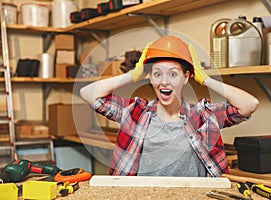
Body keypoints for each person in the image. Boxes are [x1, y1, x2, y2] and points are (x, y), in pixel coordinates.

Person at [80, 35, 259, 177]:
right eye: (157, 74)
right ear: (149, 77)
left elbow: (249, 105)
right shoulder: (135, 112)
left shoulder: (204, 115)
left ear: (186, 77)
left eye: (173, 74)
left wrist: (206, 79)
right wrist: (133, 75)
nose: (164, 82)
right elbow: (88, 94)